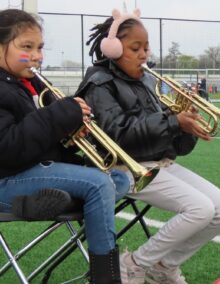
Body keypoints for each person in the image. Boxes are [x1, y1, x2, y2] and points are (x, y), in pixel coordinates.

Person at [75, 8, 220, 284]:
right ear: (112, 49)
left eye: (146, 48)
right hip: (121, 168)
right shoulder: (99, 84)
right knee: (201, 209)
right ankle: (134, 264)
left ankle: (163, 265)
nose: (143, 55)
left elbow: (178, 147)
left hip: (158, 164)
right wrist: (172, 122)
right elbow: (118, 133)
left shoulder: (147, 80)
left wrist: (188, 125)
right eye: (134, 48)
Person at [0, 9, 131, 283]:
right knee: (98, 184)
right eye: (26, 47)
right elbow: (8, 148)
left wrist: (69, 132)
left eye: (39, 47)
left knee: (119, 177)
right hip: (7, 178)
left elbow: (40, 137)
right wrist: (58, 116)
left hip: (30, 169)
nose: (36, 56)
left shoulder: (29, 83)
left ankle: (39, 202)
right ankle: (106, 278)